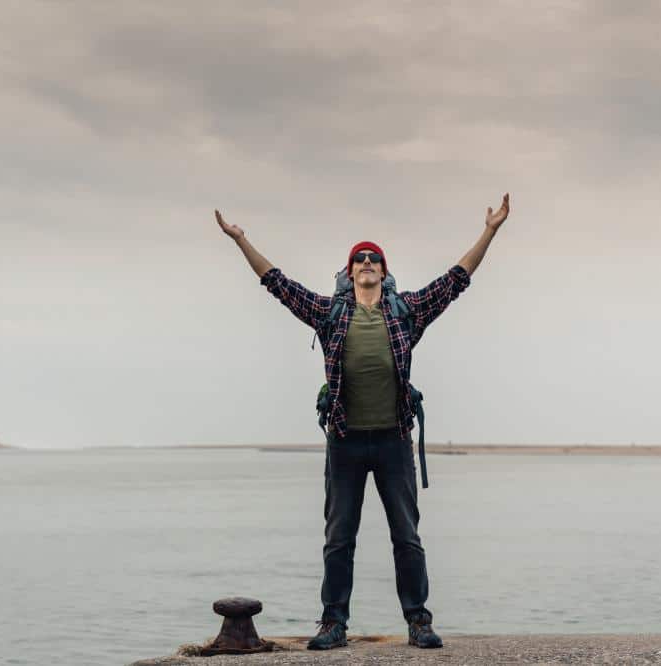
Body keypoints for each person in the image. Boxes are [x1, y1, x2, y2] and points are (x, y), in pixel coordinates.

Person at [215, 194, 511, 650]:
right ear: (350, 271)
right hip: (345, 443)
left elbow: (456, 280)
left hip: (393, 441)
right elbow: (277, 284)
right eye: (360, 259)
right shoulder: (330, 313)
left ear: (383, 272)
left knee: (407, 537)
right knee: (339, 538)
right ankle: (333, 624)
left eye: (374, 258)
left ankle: (418, 621)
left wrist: (490, 231)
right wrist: (241, 240)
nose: (368, 262)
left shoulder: (405, 311)